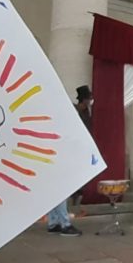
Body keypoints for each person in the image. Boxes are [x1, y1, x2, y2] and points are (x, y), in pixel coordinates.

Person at [45, 87, 90, 237]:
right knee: (61, 189)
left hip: (61, 152)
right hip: (59, 153)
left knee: (55, 191)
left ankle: (53, 222)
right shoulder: (68, 113)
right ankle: (64, 223)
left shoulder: (80, 112)